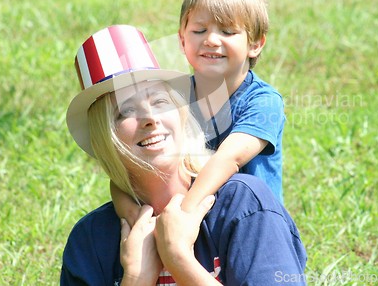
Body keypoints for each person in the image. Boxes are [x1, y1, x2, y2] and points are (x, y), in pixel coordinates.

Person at [61, 25, 307, 285]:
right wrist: (135, 278)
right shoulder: (90, 239)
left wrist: (179, 259)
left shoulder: (242, 206)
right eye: (125, 111)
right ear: (105, 137)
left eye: (160, 102)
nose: (150, 119)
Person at [112, 0, 285, 226]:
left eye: (227, 31)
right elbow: (125, 170)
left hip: (252, 225)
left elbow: (229, 159)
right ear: (182, 40)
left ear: (255, 44)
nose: (211, 40)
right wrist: (135, 216)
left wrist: (180, 216)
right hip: (197, 224)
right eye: (199, 30)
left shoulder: (262, 101)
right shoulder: (173, 98)